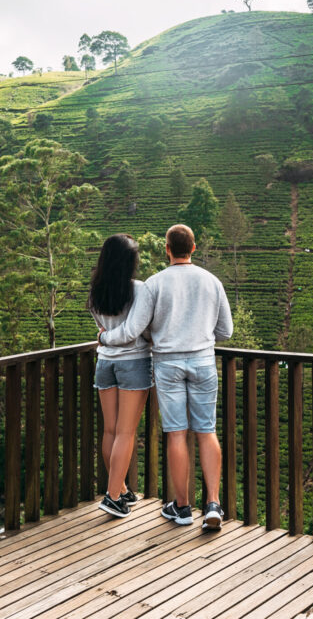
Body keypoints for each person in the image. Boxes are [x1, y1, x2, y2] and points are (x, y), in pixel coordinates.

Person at [99, 224, 233, 530]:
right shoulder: (212, 281)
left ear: (167, 249)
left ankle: (182, 507)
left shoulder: (154, 285)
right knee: (206, 430)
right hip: (202, 361)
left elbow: (140, 328)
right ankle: (213, 504)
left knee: (176, 433)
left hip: (167, 364)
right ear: (194, 248)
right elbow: (226, 330)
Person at [88, 234, 153, 518]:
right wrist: (110, 339)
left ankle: (122, 488)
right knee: (126, 433)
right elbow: (131, 333)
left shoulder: (95, 291)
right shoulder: (139, 290)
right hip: (133, 364)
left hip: (105, 364)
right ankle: (113, 497)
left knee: (111, 431)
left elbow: (103, 331)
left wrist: (103, 341)